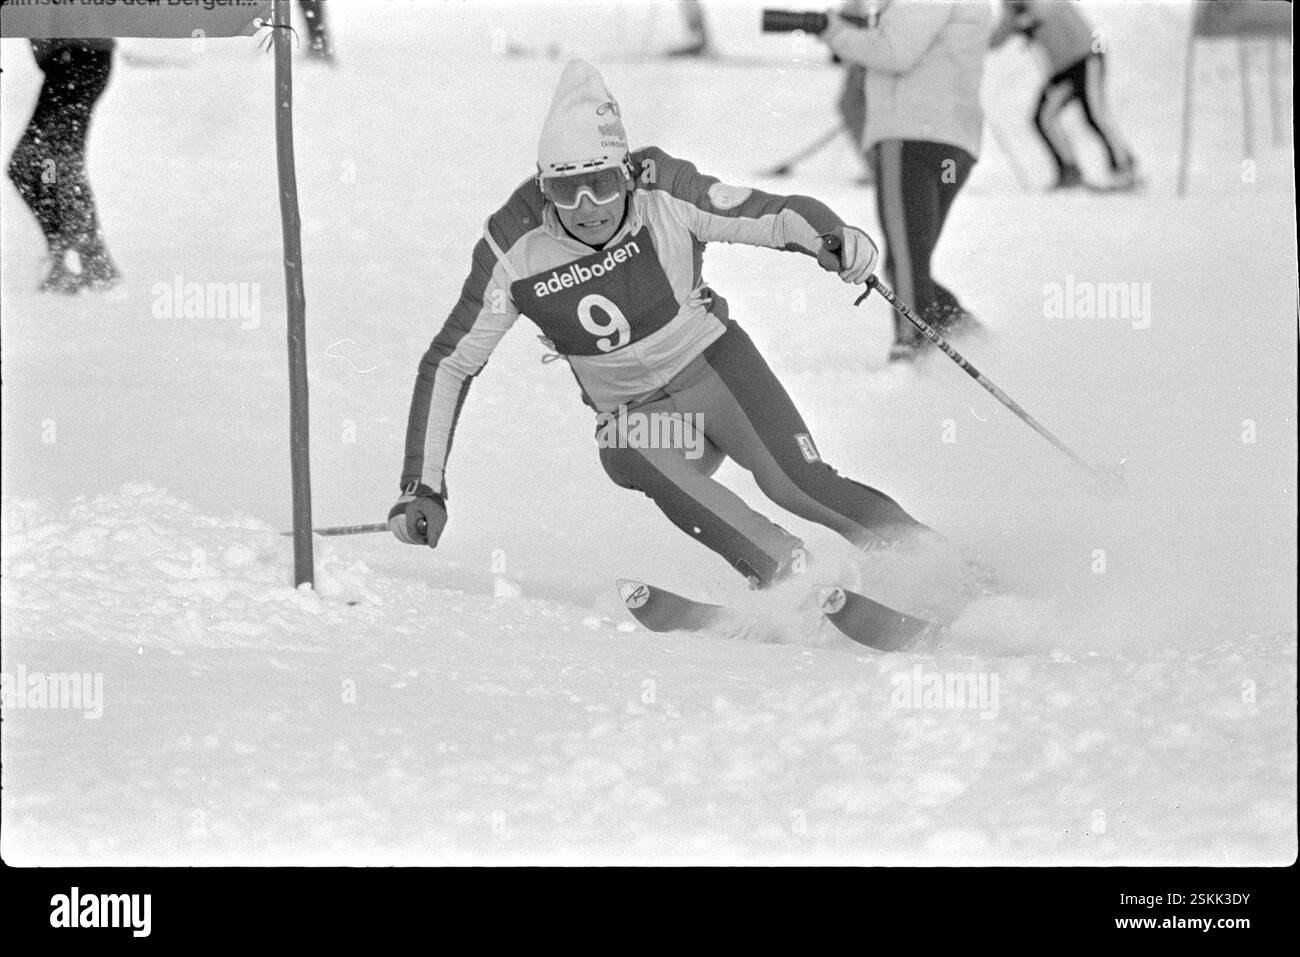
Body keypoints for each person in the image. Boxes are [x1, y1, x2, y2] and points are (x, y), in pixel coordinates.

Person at [389, 60, 942, 593]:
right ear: (543, 187)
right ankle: (788, 573)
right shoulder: (512, 244)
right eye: (564, 191)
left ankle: (941, 567)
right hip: (651, 421)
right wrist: (424, 485)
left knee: (797, 483)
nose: (586, 207)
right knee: (622, 445)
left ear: (625, 172)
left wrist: (832, 236)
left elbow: (767, 213)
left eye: (602, 184)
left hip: (719, 379)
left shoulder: (665, 190)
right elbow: (451, 362)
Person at [816, 0, 990, 361]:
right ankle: (970, 339)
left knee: (907, 260)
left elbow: (894, 52)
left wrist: (833, 32)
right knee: (907, 261)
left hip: (912, 138)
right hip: (952, 148)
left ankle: (912, 347)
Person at [6, 38, 119, 294]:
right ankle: (86, 260)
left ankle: (81, 259)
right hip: (76, 58)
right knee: (51, 163)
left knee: (38, 163)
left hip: (77, 57)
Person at [989, 0, 1139, 190]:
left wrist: (1028, 19)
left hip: (1087, 56)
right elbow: (997, 38)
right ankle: (1070, 170)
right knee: (1043, 117)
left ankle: (1124, 166)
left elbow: (1047, 9)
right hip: (1061, 70)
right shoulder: (1011, 7)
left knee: (1094, 114)